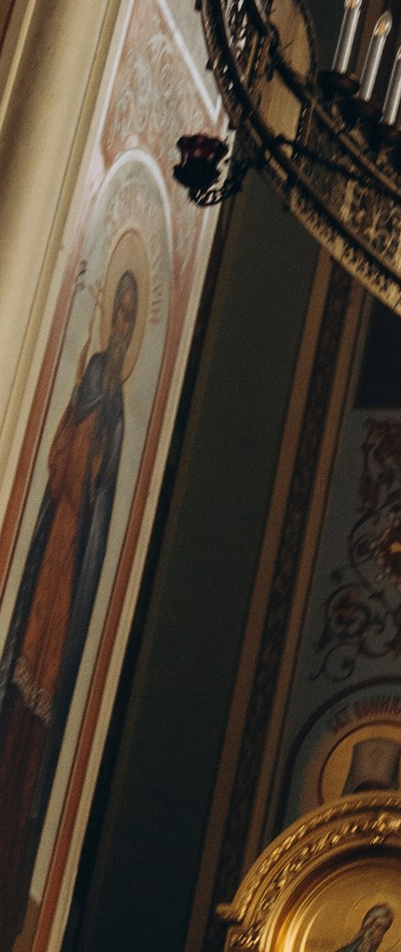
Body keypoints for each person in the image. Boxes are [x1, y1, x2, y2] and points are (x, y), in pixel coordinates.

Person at [0, 268, 141, 943]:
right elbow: (64, 458)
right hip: (54, 544)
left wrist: (94, 456)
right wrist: (78, 438)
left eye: (125, 320)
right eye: (116, 315)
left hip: (73, 555)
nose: (117, 328)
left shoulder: (115, 403)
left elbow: (103, 490)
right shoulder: (92, 382)